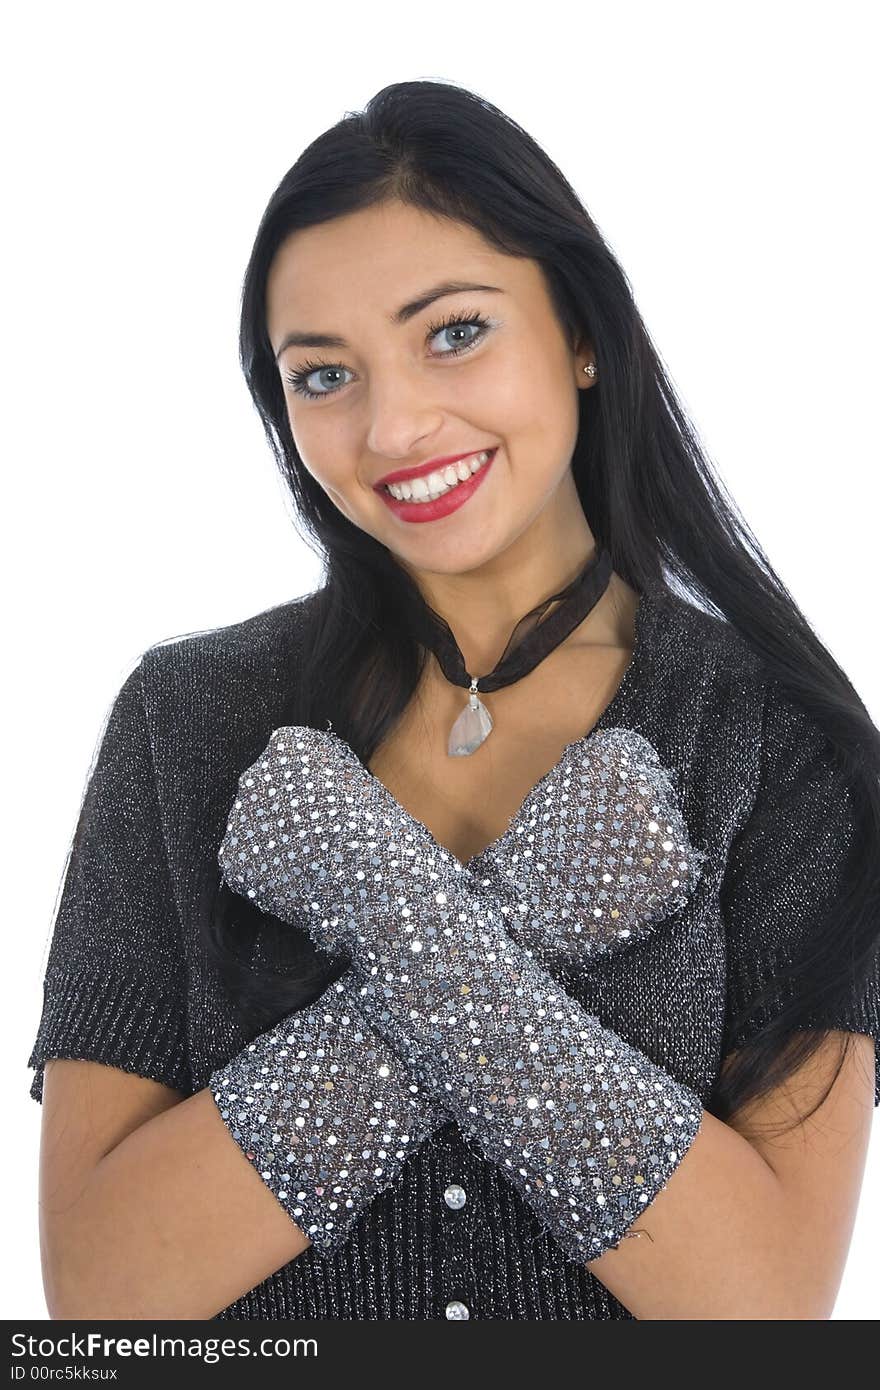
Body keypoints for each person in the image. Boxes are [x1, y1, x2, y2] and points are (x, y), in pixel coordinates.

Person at [28, 79, 880, 1322]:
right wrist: (513, 922)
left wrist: (373, 896)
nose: (394, 426)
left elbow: (755, 1302)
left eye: (454, 332)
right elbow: (104, 1300)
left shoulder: (775, 744)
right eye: (323, 376)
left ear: (581, 332)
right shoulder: (185, 718)